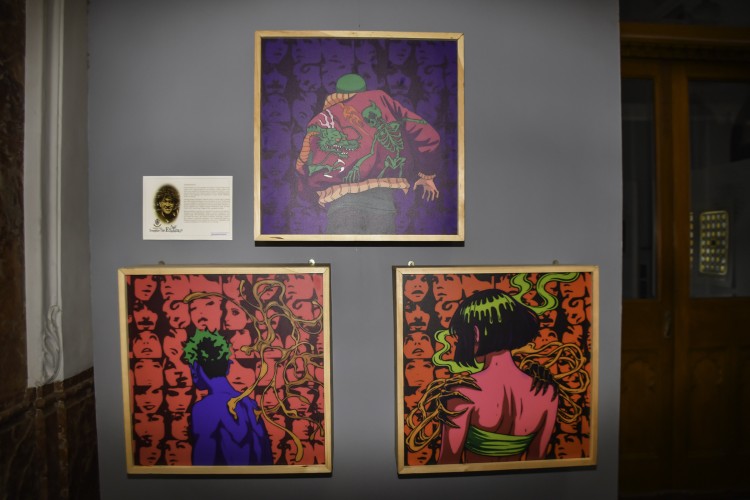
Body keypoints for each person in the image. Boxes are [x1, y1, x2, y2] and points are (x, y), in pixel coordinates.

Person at [295, 73, 441, 234]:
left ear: (337, 93)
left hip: (341, 206)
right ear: (364, 90)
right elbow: (426, 133)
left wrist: (308, 195)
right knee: (380, 251)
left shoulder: (320, 121)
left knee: (343, 251)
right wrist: (427, 174)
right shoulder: (383, 101)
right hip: (383, 204)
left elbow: (303, 165)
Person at [438, 290, 558, 464]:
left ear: (476, 333)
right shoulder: (547, 393)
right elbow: (537, 462)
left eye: (462, 336)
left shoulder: (462, 392)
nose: (460, 343)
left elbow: (447, 463)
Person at [184, 329, 273, 466]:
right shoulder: (250, 405)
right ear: (227, 367)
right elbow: (266, 460)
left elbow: (202, 467)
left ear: (195, 366)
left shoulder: (204, 408)